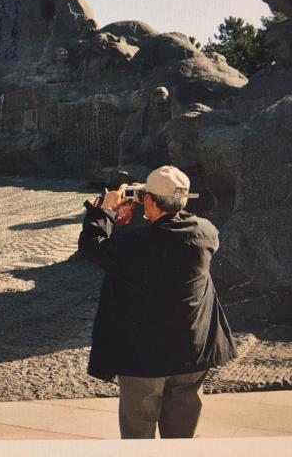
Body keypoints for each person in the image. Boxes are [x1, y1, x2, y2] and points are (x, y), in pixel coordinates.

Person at [77, 165, 236, 439]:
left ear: (149, 201)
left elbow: (91, 245)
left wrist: (108, 210)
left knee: (139, 436)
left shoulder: (133, 244)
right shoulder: (207, 234)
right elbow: (172, 228)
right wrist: (153, 202)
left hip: (142, 358)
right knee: (182, 436)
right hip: (191, 352)